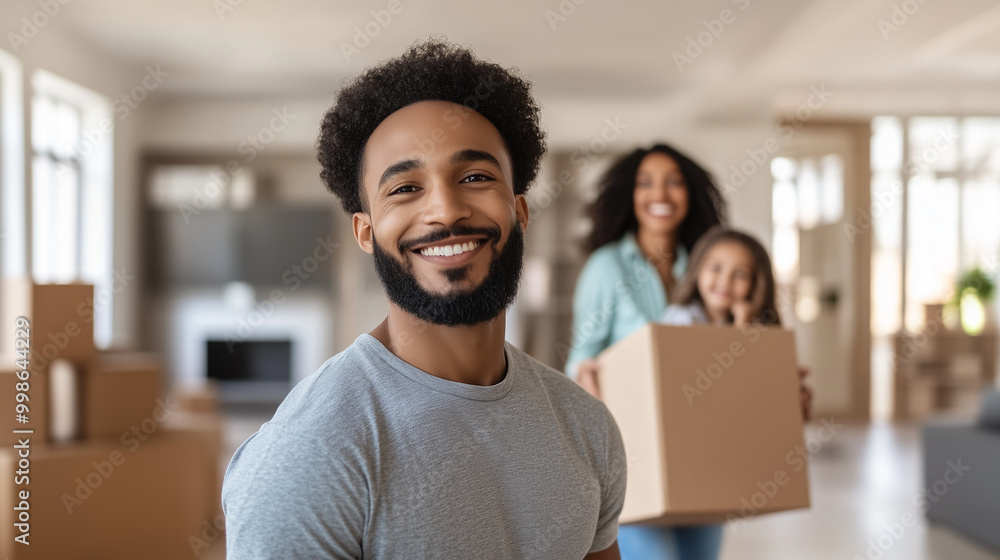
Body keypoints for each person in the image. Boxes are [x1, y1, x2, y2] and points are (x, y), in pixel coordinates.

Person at [222, 40, 626, 559]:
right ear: (366, 232)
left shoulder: (587, 427)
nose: (445, 210)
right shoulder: (307, 454)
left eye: (476, 177)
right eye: (405, 188)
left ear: (519, 210)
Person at [564, 143, 729, 560]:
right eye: (646, 183)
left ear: (689, 193)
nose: (661, 194)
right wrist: (585, 381)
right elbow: (581, 354)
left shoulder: (709, 265)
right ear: (629, 195)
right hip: (632, 452)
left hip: (702, 451)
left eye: (674, 182)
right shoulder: (607, 266)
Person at [660, 227, 782, 328]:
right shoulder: (680, 319)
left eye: (740, 274)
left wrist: (743, 324)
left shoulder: (757, 326)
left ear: (755, 284)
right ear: (697, 270)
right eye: (715, 268)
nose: (725, 282)